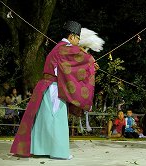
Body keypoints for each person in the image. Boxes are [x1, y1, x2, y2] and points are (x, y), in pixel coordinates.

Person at [10, 21, 101, 159]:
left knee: (44, 119)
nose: (78, 41)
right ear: (72, 36)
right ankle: (59, 152)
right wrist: (91, 64)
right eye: (77, 38)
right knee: (56, 118)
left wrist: (89, 64)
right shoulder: (65, 48)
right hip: (53, 87)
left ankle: (40, 149)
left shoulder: (59, 48)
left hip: (47, 86)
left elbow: (72, 69)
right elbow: (82, 60)